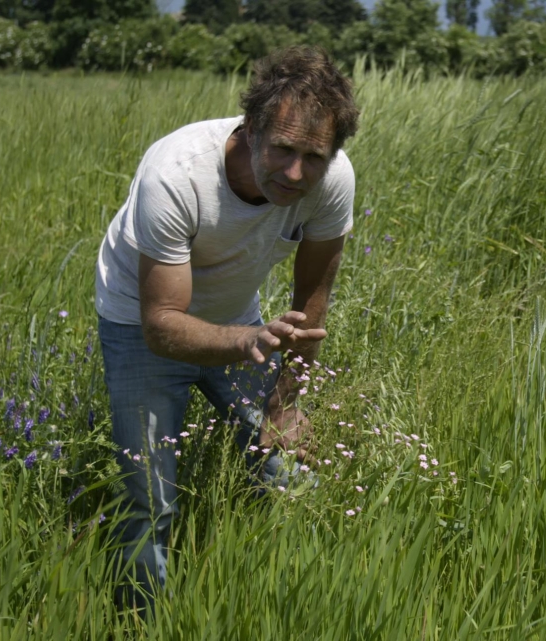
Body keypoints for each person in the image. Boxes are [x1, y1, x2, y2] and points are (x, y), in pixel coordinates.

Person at [93, 45, 360, 612]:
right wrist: (246, 342)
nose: (295, 173)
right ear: (252, 129)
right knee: (151, 500)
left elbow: (313, 297)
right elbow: (163, 326)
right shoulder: (176, 172)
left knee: (288, 470)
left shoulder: (332, 180)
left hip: (239, 321)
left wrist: (288, 400)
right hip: (140, 320)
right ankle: (141, 620)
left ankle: (284, 605)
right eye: (283, 150)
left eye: (313, 157)